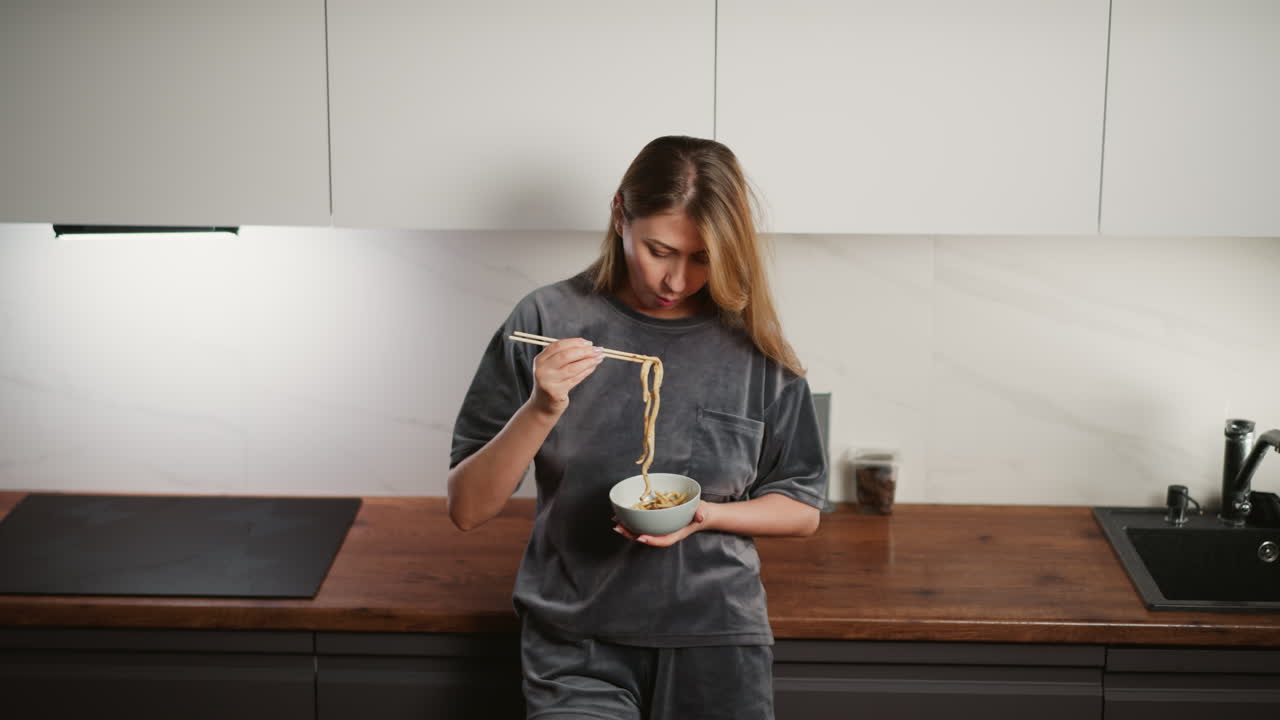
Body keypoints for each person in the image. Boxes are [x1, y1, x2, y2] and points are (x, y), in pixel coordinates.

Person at [448, 135, 827, 720]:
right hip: (575, 644)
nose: (676, 281)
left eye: (702, 259)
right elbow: (468, 508)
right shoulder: (546, 320)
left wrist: (707, 515)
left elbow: (801, 507)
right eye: (659, 249)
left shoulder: (754, 348)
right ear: (620, 213)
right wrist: (541, 408)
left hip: (716, 637)